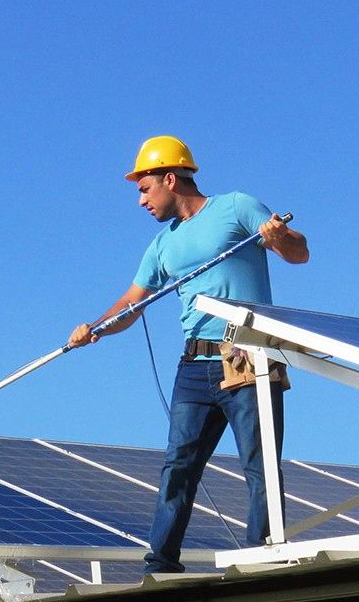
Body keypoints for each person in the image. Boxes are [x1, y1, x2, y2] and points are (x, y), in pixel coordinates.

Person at [67, 136, 310, 573]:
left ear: (170, 178)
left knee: (259, 467)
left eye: (144, 189)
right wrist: (95, 328)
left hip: (248, 357)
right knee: (177, 465)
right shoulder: (162, 246)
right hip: (194, 367)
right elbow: (131, 302)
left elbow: (299, 252)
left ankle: (262, 561)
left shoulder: (236, 207)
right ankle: (160, 564)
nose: (141, 201)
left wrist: (278, 236)